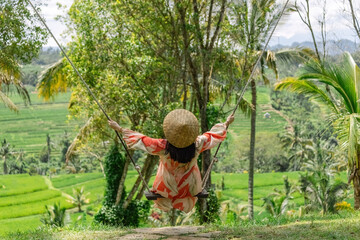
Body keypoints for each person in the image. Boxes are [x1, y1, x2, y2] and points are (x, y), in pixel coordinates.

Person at [108, 109, 234, 213]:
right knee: (192, 181)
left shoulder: (162, 146)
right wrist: (226, 123)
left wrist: (119, 128)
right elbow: (213, 135)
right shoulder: (198, 143)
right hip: (190, 187)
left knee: (162, 182)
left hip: (166, 187)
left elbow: (141, 140)